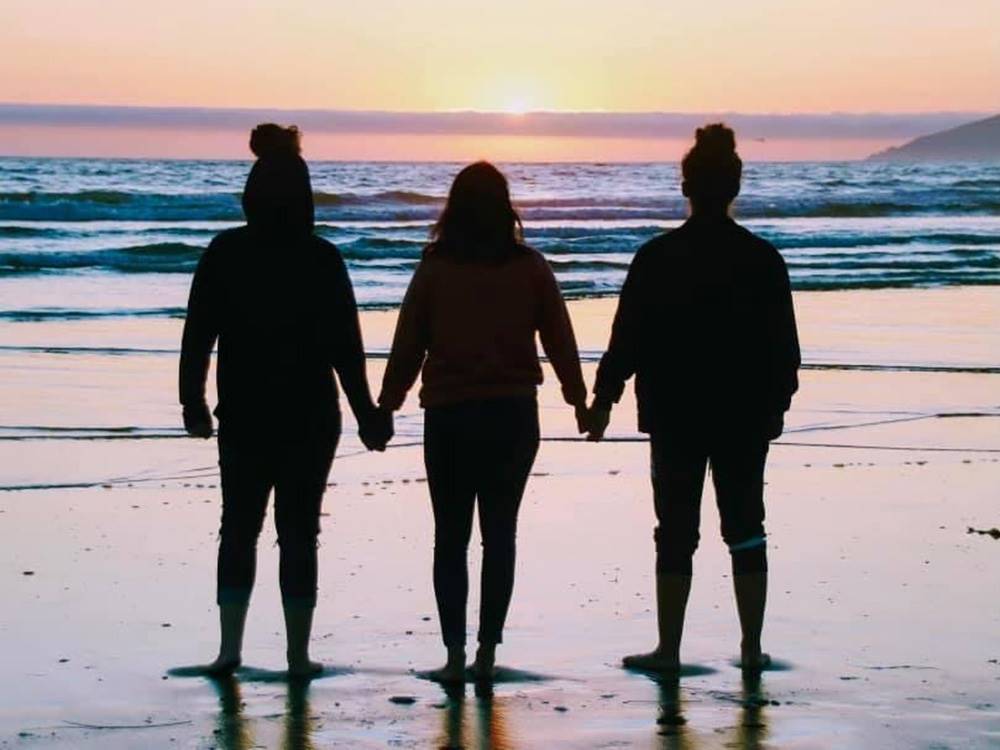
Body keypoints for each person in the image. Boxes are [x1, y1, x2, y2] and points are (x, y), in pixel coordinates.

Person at [178, 124, 391, 677]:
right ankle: (298, 656)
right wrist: (368, 415)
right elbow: (348, 347)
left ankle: (229, 651)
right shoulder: (321, 258)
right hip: (311, 416)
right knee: (299, 532)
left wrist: (192, 402)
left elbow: (198, 332)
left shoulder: (226, 251)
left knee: (239, 526)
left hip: (245, 414)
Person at [588, 124, 800, 672]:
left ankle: (670, 649)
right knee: (746, 527)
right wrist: (776, 406)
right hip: (743, 414)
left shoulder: (658, 257)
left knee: (676, 531)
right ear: (734, 188)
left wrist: (604, 398)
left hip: (675, 411)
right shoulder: (762, 259)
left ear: (686, 186)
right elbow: (785, 350)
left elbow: (626, 337)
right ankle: (751, 648)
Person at [378, 162, 589, 683]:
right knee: (500, 535)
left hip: (450, 416)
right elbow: (560, 340)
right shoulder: (529, 267)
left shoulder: (436, 268)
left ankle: (453, 656)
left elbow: (408, 344)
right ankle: (487, 653)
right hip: (513, 416)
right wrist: (579, 398)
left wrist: (386, 405)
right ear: (504, 208)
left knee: (450, 537)